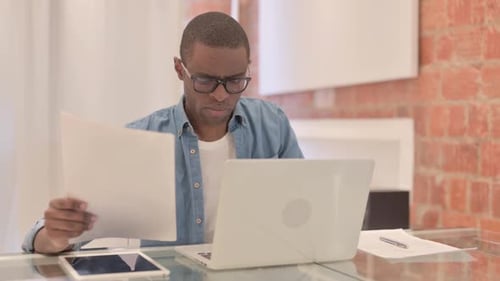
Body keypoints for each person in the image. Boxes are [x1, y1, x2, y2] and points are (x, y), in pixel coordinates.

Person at [22, 11, 303, 254]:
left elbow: (304, 208)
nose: (220, 95)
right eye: (205, 81)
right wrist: (56, 235)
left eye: (235, 81)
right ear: (179, 69)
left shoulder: (272, 124)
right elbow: (45, 240)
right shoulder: (139, 138)